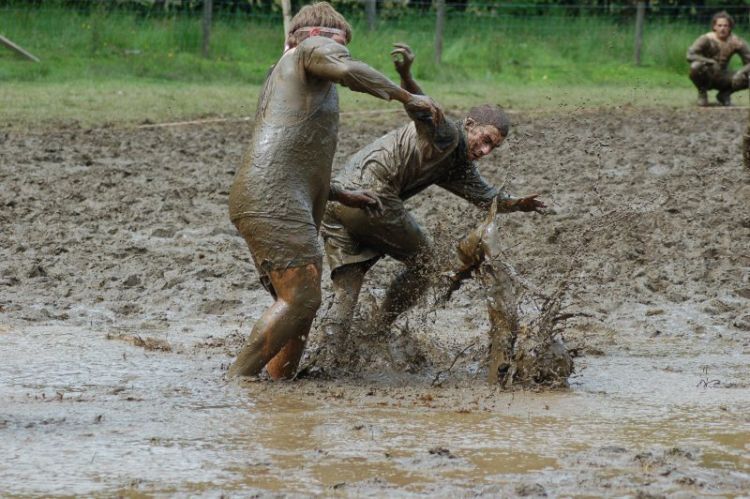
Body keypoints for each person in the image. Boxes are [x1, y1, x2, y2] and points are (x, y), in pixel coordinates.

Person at [227, 3, 438, 380]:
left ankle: (281, 382)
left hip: (276, 196)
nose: (337, 53)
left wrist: (341, 194)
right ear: (305, 39)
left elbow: (300, 156)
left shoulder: (298, 79)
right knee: (302, 298)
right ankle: (238, 380)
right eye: (335, 46)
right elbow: (348, 69)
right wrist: (406, 97)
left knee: (296, 302)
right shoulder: (310, 51)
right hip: (274, 199)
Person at [316, 44, 545, 366]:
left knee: (348, 286)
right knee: (430, 263)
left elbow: (487, 198)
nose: (485, 150)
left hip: (335, 200)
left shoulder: (458, 165)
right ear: (469, 124)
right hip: (372, 199)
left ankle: (329, 357)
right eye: (485, 140)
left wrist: (517, 204)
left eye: (494, 147)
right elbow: (421, 107)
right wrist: (406, 74)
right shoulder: (447, 135)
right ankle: (379, 328)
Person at [687, 11, 750, 106]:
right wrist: (709, 61)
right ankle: (702, 93)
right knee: (695, 66)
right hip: (707, 73)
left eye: (726, 26)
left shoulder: (736, 41)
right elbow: (690, 55)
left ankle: (725, 94)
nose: (722, 29)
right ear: (714, 27)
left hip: (723, 75)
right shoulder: (706, 39)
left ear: (730, 28)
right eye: (719, 25)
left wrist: (741, 72)